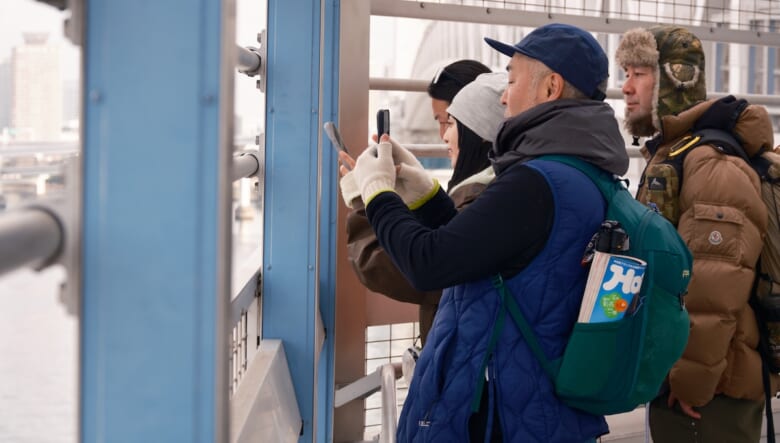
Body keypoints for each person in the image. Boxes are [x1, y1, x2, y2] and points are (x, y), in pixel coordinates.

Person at [350, 23, 628, 442]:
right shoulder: (584, 172)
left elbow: (431, 263)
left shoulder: (536, 181)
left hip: (506, 416)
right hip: (545, 408)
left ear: (551, 88)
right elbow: (488, 254)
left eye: (512, 79)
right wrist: (426, 195)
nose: (502, 94)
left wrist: (376, 192)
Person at [616, 25, 777, 441]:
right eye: (625, 73)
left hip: (709, 392)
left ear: (673, 77)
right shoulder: (677, 153)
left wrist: (690, 382)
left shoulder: (708, 162)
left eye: (638, 74)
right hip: (695, 376)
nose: (625, 86)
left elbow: (713, 291)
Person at [339, 61, 494, 346]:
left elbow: (403, 267)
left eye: (449, 122)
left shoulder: (484, 195)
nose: (443, 134)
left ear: (477, 126)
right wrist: (423, 198)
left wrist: (367, 198)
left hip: (462, 361)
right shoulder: (492, 186)